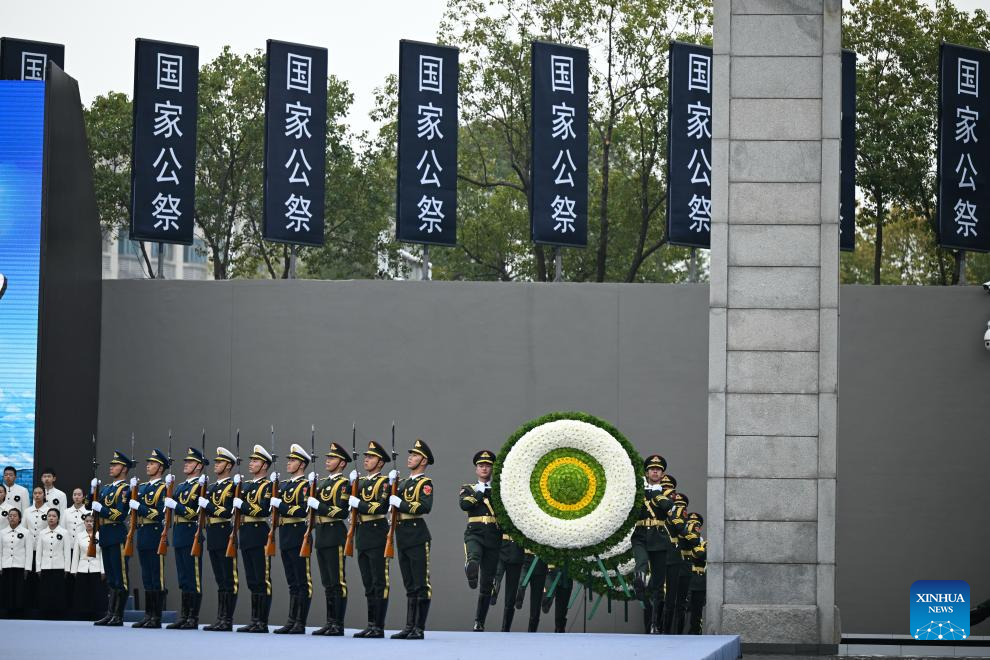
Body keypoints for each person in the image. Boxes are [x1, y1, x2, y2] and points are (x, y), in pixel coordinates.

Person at [389, 439, 434, 640]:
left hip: (416, 534)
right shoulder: (404, 482)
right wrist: (390, 485)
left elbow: (424, 507)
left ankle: (419, 628)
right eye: (410, 454)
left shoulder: (425, 483)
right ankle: (409, 626)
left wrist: (401, 503)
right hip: (402, 534)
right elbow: (386, 502)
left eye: (415, 455)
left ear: (423, 460)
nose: (410, 457)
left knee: (421, 582)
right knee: (409, 583)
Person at [306, 441, 351, 636]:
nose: (327, 460)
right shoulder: (323, 482)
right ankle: (330, 621)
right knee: (327, 582)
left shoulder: (344, 484)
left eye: (332, 458)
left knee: (337, 580)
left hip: (334, 532)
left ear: (341, 463)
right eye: (328, 457)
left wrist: (319, 506)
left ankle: (338, 624)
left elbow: (340, 511)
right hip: (322, 533)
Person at [348, 440, 391, 638]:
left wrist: (359, 503)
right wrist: (351, 486)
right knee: (368, 583)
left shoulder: (384, 482)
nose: (366, 459)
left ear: (380, 462)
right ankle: (371, 623)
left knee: (378, 581)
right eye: (366, 457)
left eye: (371, 457)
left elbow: (380, 507)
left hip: (376, 531)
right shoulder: (361, 482)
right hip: (362, 533)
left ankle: (378, 626)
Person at [162, 446, 208, 629]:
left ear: (198, 466)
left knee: (193, 577)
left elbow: (193, 513)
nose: (186, 464)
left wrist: (176, 506)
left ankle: (192, 617)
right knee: (183, 578)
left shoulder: (200, 486)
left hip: (191, 534)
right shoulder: (181, 486)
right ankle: (184, 615)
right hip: (180, 535)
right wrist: (167, 488)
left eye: (189, 462)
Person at [270, 442, 313, 634]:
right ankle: (291, 620)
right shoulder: (285, 485)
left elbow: (302, 509)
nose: (289, 463)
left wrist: (281, 505)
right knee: (292, 581)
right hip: (286, 534)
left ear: (302, 464)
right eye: (288, 459)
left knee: (302, 580)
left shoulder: (306, 485)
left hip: (298, 533)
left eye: (293, 460)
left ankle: (300, 622)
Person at [232, 444, 274, 633]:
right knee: (252, 579)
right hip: (246, 532)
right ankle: (254, 619)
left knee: (262, 577)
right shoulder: (247, 485)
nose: (251, 464)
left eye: (255, 461)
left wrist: (244, 505)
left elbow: (263, 509)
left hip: (259, 531)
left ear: (264, 465)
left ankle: (262, 622)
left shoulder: (267, 486)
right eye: (251, 460)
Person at [91, 449, 135, 626]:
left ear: (124, 469)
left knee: (120, 576)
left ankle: (118, 615)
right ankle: (110, 613)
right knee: (110, 577)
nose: (111, 467)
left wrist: (101, 509)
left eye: (115, 465)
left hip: (117, 534)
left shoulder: (125, 490)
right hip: (106, 535)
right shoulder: (107, 488)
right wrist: (92, 491)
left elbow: (119, 514)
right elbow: (91, 505)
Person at [459, 449, 501, 631]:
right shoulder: (469, 488)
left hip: (494, 535)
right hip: (475, 532)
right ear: (476, 469)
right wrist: (479, 493)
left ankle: (479, 622)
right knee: (473, 556)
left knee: (487, 582)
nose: (484, 468)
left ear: (492, 469)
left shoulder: (499, 490)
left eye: (488, 466)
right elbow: (464, 504)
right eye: (481, 465)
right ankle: (471, 569)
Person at [199, 446, 239, 631]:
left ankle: (227, 619)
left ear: (229, 465)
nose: (216, 465)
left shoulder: (233, 486)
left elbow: (228, 511)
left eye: (219, 462)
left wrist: (210, 506)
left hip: (225, 532)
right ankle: (220, 617)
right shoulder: (212, 487)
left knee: (228, 578)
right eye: (215, 462)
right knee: (219, 579)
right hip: (213, 533)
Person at [129, 448, 169, 628]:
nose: (148, 466)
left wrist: (140, 507)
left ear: (160, 468)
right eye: (148, 463)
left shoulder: (164, 488)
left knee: (156, 577)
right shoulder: (143, 487)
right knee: (146, 576)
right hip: (143, 534)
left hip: (155, 534)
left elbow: (159, 514)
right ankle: (148, 615)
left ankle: (156, 617)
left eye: (152, 463)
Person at [632, 454, 669, 634]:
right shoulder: (638, 490)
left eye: (658, 470)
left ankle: (655, 623)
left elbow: (669, 507)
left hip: (659, 538)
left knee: (658, 584)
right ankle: (638, 580)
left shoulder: (667, 490)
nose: (655, 471)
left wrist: (657, 494)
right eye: (652, 469)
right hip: (640, 535)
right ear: (646, 472)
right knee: (641, 562)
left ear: (662, 473)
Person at [35, 507, 71, 619]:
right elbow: (39, 552)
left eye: (54, 516)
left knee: (58, 591)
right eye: (49, 516)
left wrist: (67, 568)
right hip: (45, 566)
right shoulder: (42, 533)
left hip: (59, 566)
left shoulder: (64, 532)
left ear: (58, 519)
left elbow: (67, 551)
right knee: (45, 591)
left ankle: (59, 613)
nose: (51, 518)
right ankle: (45, 613)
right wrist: (38, 568)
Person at [70, 514, 106, 620]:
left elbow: (103, 555)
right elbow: (76, 553)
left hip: (97, 568)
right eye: (87, 521)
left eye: (92, 521)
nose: (89, 523)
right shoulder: (79, 536)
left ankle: (97, 615)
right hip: (82, 568)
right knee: (82, 593)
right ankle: (82, 615)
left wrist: (103, 570)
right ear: (84, 523)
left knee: (97, 593)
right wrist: (74, 569)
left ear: (95, 523)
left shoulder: (100, 535)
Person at [0, 508, 33, 618]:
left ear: (19, 518)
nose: (12, 517)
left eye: (15, 516)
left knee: (19, 590)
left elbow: (29, 551)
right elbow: (0, 550)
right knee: (7, 589)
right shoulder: (2, 532)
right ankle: (7, 612)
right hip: (6, 565)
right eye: (10, 516)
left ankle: (19, 612)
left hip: (20, 565)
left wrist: (27, 567)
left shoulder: (26, 532)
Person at [24, 485, 51, 613]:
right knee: (29, 577)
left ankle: (41, 606)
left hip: (44, 550)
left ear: (44, 495)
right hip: (29, 549)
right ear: (33, 495)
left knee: (42, 578)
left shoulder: (49, 511)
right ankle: (29, 605)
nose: (37, 495)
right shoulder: (27, 511)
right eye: (35, 493)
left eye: (40, 493)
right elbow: (24, 530)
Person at [492, 536, 526, 631]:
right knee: (495, 579)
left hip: (516, 554)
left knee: (511, 595)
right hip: (501, 549)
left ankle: (506, 628)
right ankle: (493, 592)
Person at [684, 512, 706, 635]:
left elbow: (701, 555)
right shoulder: (682, 541)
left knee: (696, 613)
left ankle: (695, 634)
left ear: (700, 528)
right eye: (690, 524)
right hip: (684, 578)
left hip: (698, 582)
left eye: (696, 525)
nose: (693, 527)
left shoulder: (704, 544)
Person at [541, 565, 574, 633]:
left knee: (563, 606)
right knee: (548, 594)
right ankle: (546, 602)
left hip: (566, 574)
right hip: (552, 572)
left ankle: (560, 629)